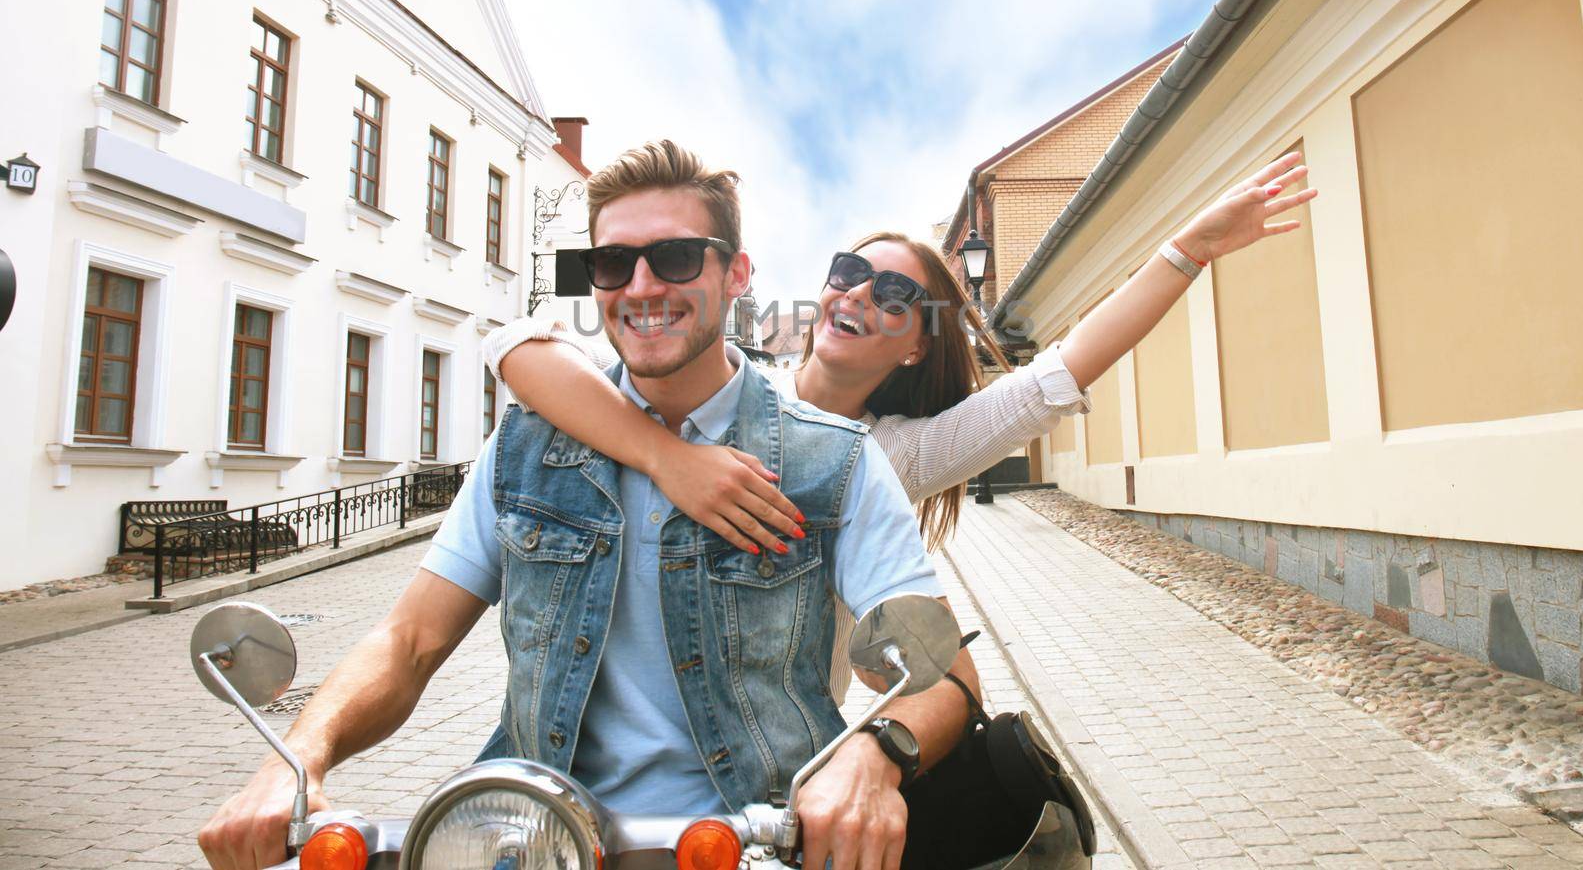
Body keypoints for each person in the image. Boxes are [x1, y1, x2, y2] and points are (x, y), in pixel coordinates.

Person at [198, 139, 980, 870]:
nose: (642, 287)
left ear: (737, 274)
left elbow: (946, 678)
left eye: (675, 257)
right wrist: (296, 756)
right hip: (532, 835)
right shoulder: (528, 448)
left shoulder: (831, 462)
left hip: (758, 841)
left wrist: (877, 753)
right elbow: (408, 640)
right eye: (613, 263)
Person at [486, 151, 1316, 699]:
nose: (856, 294)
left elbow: (1055, 375)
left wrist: (1186, 251)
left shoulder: (893, 455)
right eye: (849, 273)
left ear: (920, 344)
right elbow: (520, 349)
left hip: (768, 767)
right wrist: (669, 459)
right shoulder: (725, 383)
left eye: (894, 296)